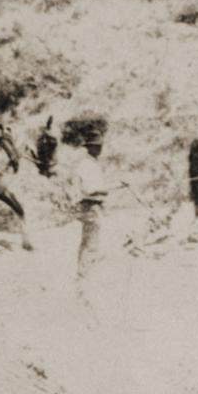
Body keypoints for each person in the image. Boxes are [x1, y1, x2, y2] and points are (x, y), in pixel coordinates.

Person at [70, 125, 109, 292]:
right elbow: (88, 189)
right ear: (90, 147)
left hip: (94, 205)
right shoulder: (86, 165)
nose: (100, 148)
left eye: (100, 145)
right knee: (89, 242)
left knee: (91, 240)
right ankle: (83, 277)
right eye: (97, 146)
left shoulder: (92, 163)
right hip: (90, 205)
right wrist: (103, 190)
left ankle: (86, 274)